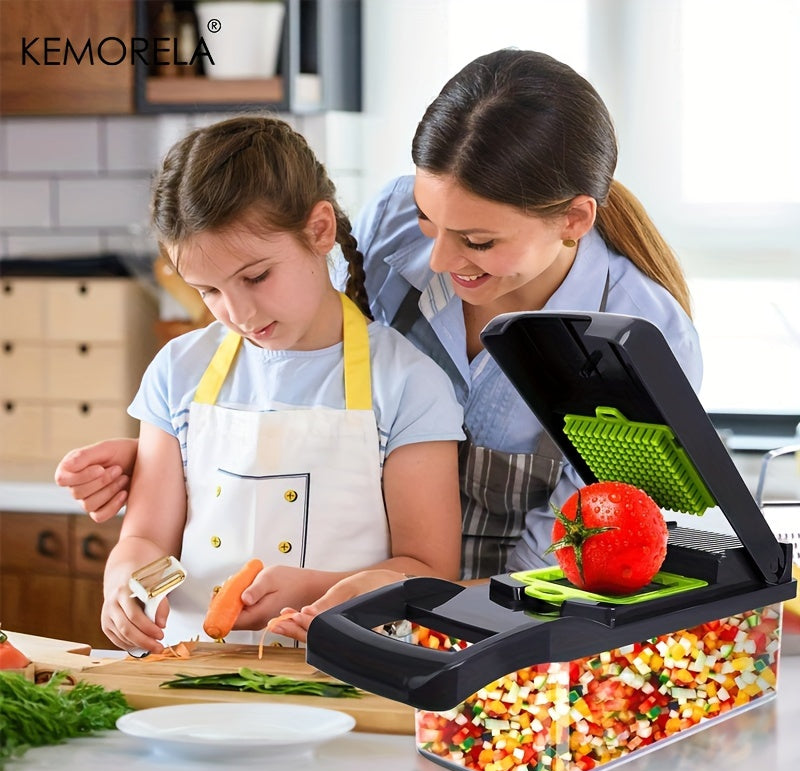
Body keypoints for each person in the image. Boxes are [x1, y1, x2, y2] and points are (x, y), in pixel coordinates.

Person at [56, 50, 702, 637]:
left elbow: (573, 571)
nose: (440, 259)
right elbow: (308, 341)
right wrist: (177, 450)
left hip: (513, 638)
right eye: (429, 219)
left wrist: (362, 596)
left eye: (477, 241)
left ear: (573, 220)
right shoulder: (393, 223)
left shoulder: (641, 343)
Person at [94, 115, 464, 655]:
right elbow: (147, 539)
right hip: (193, 671)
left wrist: (315, 589)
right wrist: (125, 585)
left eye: (255, 277)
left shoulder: (408, 383)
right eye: (208, 291)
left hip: (348, 673)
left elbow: (430, 572)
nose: (237, 312)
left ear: (319, 230)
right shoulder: (178, 371)